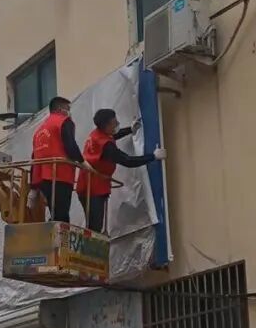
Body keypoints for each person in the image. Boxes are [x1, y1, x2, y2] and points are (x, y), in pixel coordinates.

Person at [75, 108, 165, 233]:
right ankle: (90, 245)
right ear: (106, 126)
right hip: (95, 189)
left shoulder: (95, 134)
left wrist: (130, 130)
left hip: (85, 185)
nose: (117, 123)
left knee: (92, 224)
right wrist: (153, 156)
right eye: (114, 122)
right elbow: (127, 161)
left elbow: (112, 136)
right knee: (95, 227)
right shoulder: (107, 147)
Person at [29, 96, 83, 224]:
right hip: (61, 174)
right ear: (60, 109)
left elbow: (35, 157)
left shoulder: (39, 131)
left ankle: (52, 227)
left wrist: (33, 186)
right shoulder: (64, 122)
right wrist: (82, 162)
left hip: (44, 177)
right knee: (62, 214)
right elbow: (70, 145)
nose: (69, 112)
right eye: (68, 108)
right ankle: (59, 234)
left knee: (55, 211)